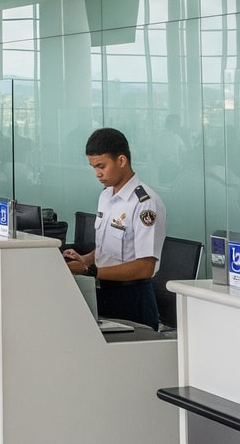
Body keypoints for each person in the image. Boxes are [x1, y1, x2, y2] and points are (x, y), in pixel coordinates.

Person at [62, 127, 166, 331]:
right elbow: (108, 248)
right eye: (93, 167)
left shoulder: (145, 203)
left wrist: (89, 270)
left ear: (121, 160)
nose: (97, 174)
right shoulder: (106, 196)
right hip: (103, 293)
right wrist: (85, 259)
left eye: (101, 166)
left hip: (132, 298)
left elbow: (146, 267)